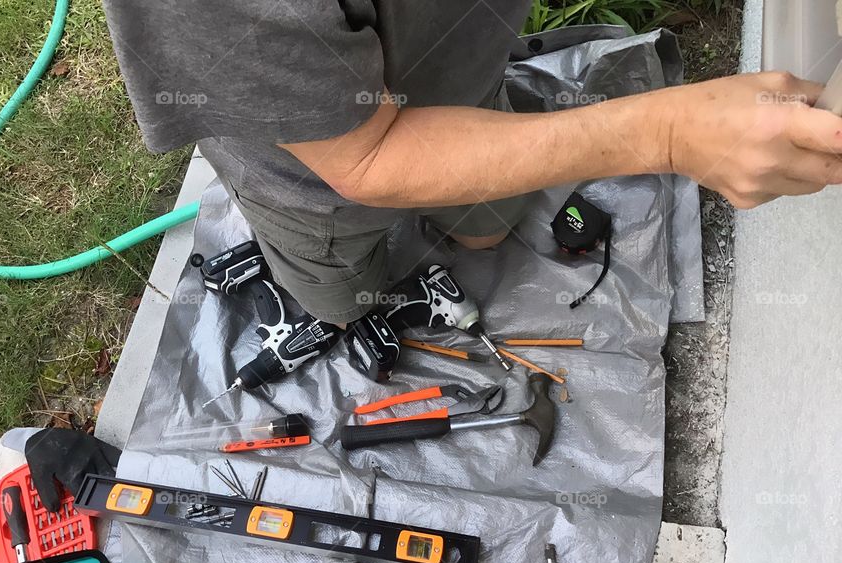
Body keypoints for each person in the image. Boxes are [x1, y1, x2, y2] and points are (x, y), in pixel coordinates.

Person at [101, 1, 842, 325]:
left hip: (468, 78)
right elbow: (367, 158)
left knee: (488, 227)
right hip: (314, 186)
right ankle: (339, 294)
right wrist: (669, 136)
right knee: (341, 297)